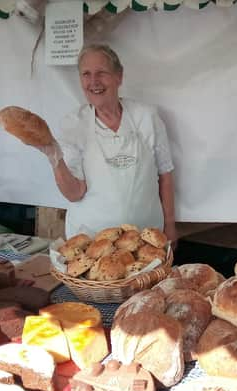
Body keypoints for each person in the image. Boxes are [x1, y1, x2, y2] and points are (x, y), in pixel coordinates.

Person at [34, 44, 177, 246]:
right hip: (92, 245)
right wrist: (54, 158)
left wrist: (169, 226)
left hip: (147, 241)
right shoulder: (74, 124)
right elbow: (75, 193)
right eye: (86, 74)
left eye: (101, 73)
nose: (94, 82)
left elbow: (166, 174)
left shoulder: (147, 116)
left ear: (119, 76)